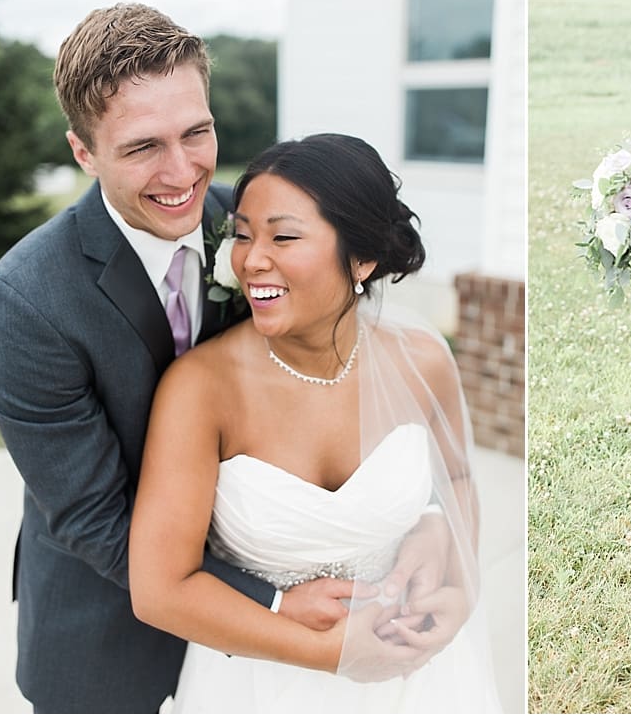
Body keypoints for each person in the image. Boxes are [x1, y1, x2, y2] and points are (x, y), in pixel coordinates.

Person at [0, 5, 398, 712]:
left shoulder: (255, 227)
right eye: (143, 147)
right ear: (84, 151)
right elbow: (93, 518)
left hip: (284, 619)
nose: (182, 172)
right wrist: (266, 597)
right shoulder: (25, 301)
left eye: (197, 133)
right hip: (108, 639)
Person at [128, 133, 502, 712]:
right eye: (243, 234)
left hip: (416, 676)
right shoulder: (201, 388)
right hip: (256, 684)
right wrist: (336, 655)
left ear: (362, 257)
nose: (252, 259)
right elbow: (160, 590)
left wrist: (455, 587)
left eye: (283, 236)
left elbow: (456, 484)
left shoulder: (423, 361)